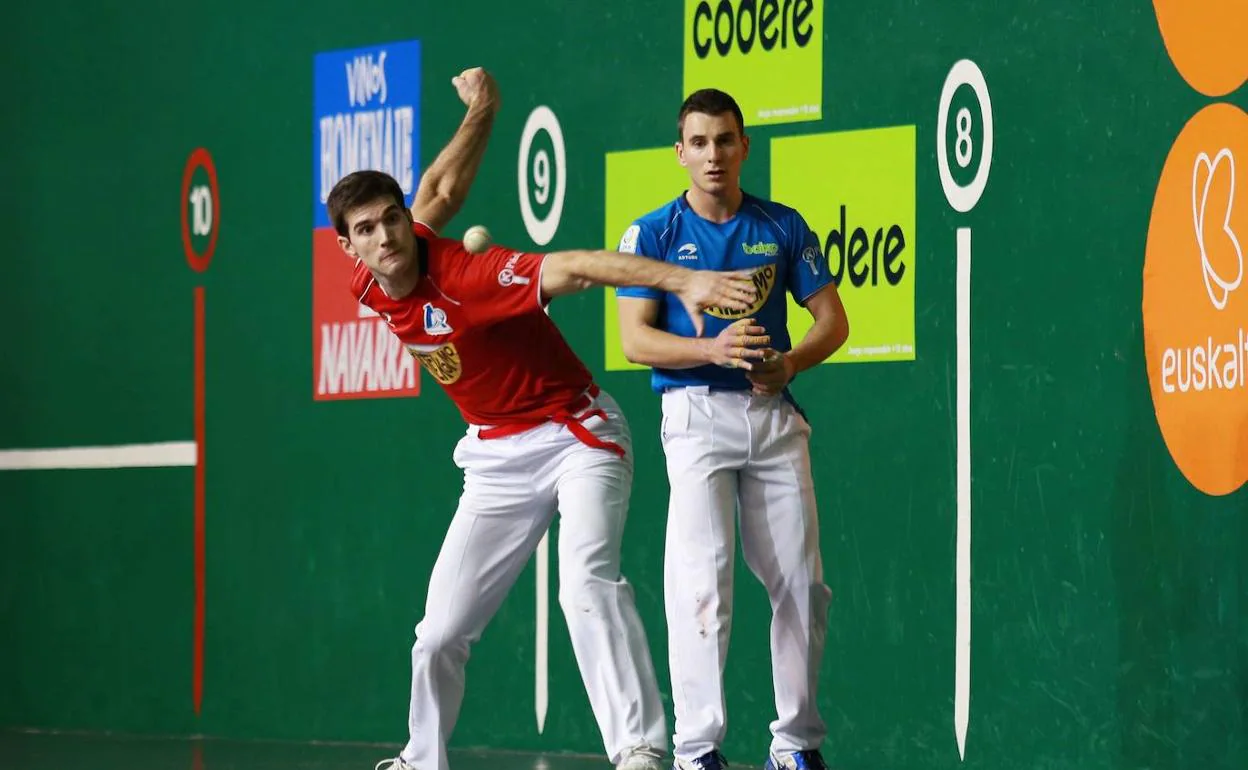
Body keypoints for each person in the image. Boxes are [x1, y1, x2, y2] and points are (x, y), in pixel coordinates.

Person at [327, 69, 761, 770]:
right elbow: (441, 188)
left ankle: (640, 749)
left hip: (576, 434)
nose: (386, 238)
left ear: (405, 222)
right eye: (366, 230)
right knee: (438, 634)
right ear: (349, 247)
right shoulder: (369, 278)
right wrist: (483, 110)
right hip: (495, 456)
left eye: (393, 220)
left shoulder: (471, 276)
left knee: (584, 583)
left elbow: (579, 268)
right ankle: (420, 758)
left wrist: (683, 279)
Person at [613, 88, 851, 770]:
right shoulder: (652, 235)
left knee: (803, 588)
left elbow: (832, 321)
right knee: (703, 587)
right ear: (680, 152)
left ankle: (795, 748)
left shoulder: (781, 225)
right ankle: (696, 751)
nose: (713, 154)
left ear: (745, 146)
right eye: (700, 142)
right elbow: (637, 341)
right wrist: (712, 351)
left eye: (725, 140)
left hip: (772, 420)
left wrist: (790, 363)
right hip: (695, 418)